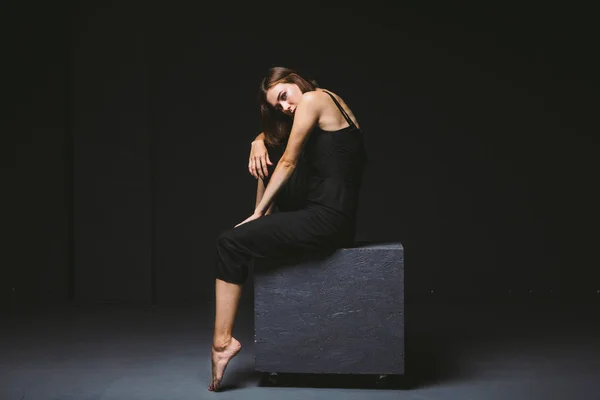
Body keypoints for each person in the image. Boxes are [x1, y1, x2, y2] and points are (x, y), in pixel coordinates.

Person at [209, 67, 368, 391]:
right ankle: (222, 342)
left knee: (230, 243)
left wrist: (256, 214)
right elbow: (282, 149)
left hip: (325, 220)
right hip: (333, 218)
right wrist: (258, 141)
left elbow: (289, 163)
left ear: (295, 80)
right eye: (278, 106)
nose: (285, 107)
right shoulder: (334, 104)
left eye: (284, 96)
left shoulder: (313, 98)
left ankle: (222, 343)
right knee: (270, 147)